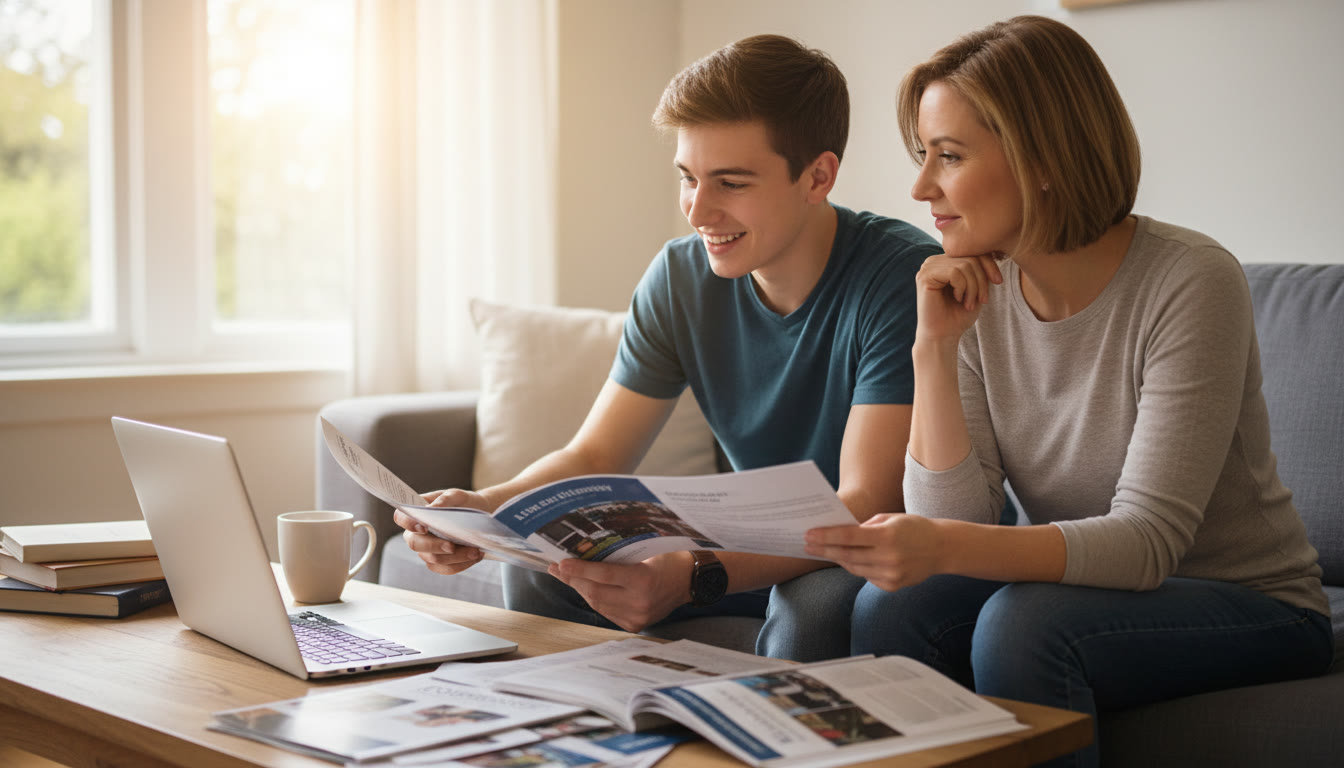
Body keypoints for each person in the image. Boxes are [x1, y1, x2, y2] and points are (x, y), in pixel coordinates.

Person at [802, 15, 1333, 767]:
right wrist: (933, 349)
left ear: (1042, 158)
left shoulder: (1190, 280)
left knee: (1024, 625)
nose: (921, 186)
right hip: (1094, 591)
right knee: (897, 602)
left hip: (1249, 603)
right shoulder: (975, 288)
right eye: (924, 155)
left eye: (949, 156)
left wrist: (939, 542)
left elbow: (1147, 544)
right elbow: (953, 521)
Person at [393, 34, 942, 660]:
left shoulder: (899, 277)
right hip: (745, 542)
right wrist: (483, 511)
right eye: (688, 178)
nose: (698, 210)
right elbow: (597, 451)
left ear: (817, 176)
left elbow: (864, 503)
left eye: (730, 182)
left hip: (851, 551)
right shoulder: (681, 277)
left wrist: (695, 571)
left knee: (811, 606)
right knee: (536, 567)